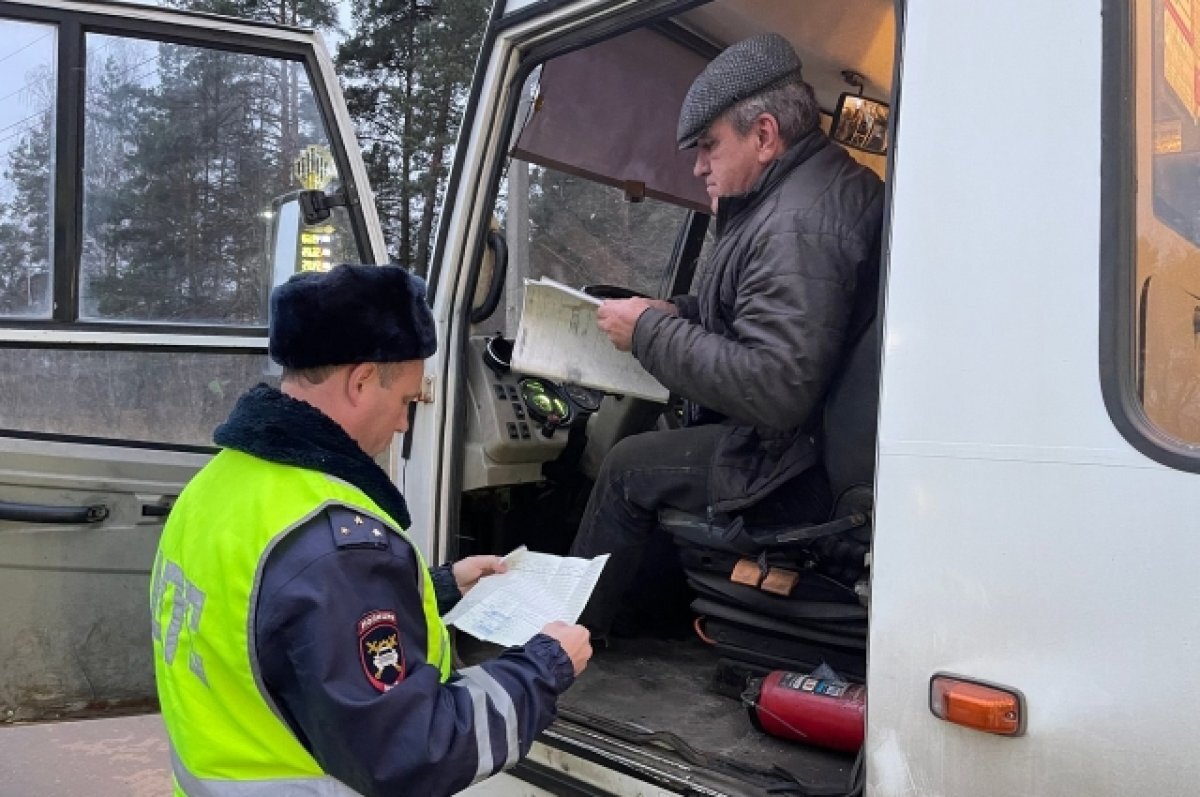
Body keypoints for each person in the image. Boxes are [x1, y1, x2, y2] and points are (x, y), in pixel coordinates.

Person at [150, 264, 591, 796]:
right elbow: (414, 752)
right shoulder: (337, 544)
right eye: (406, 400)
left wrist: (441, 586)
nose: (405, 423)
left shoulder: (218, 485)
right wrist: (544, 666)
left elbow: (279, 620)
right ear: (361, 381)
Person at [570, 33, 884, 634]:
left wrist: (650, 334)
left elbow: (774, 387)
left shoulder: (796, 222)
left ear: (765, 136)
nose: (697, 166)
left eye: (709, 146)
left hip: (798, 467)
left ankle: (566, 645)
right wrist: (676, 310)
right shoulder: (810, 191)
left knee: (628, 466)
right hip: (811, 444)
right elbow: (772, 314)